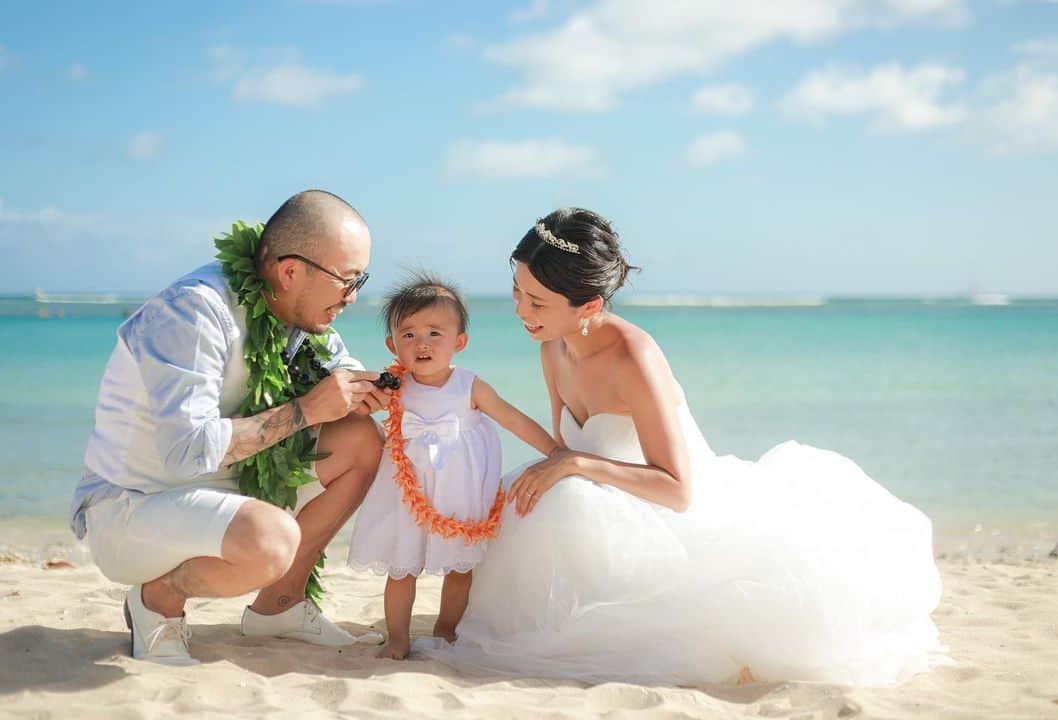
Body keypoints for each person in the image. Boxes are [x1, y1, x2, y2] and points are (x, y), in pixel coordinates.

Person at [417, 208, 945, 686]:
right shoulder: (553, 343)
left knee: (567, 500)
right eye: (516, 292)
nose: (520, 310)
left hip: (666, 511)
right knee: (523, 497)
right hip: (599, 496)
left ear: (590, 305)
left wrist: (575, 463)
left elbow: (677, 490)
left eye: (535, 302)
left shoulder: (634, 358)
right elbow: (562, 447)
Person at [69, 189, 392, 665]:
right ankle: (157, 597)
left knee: (363, 440)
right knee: (272, 540)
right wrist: (305, 410)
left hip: (228, 489)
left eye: (360, 278)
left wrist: (395, 388)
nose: (354, 295)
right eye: (345, 279)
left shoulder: (297, 315)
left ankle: (279, 606)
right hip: (134, 506)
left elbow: (341, 374)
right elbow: (186, 449)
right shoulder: (193, 314)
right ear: (289, 271)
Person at [348, 273, 558, 660]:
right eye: (408, 334)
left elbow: (512, 419)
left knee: (460, 568)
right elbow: (353, 410)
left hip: (458, 492)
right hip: (404, 496)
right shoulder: (393, 386)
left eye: (434, 332)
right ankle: (397, 638)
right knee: (401, 567)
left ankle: (446, 631)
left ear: (458, 342)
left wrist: (554, 452)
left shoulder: (469, 386)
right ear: (392, 345)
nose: (421, 343)